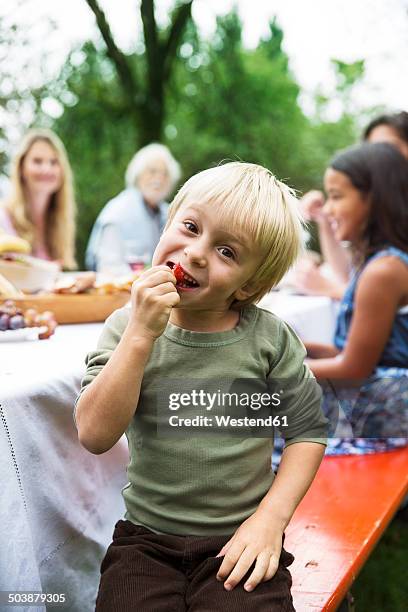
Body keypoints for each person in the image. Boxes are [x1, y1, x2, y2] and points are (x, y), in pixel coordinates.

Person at [75, 162, 328, 611]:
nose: (194, 253)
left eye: (227, 252)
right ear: (168, 220)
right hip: (146, 542)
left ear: (250, 285)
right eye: (190, 227)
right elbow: (94, 435)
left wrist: (270, 521)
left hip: (240, 537)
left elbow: (307, 432)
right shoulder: (124, 328)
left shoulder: (268, 339)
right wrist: (139, 336)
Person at [304, 142, 408, 455]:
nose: (329, 209)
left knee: (250, 409)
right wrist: (300, 348)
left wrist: (287, 371)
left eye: (337, 196)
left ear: (373, 200)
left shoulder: (384, 272)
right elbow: (360, 352)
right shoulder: (380, 263)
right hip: (381, 400)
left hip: (388, 413)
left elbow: (353, 369)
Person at [294, 111, 408, 299]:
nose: (380, 159)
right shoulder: (383, 222)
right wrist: (326, 220)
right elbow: (350, 274)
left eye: (388, 148)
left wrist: (330, 289)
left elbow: (383, 291)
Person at [85, 143, 181, 273]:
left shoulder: (169, 212)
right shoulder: (118, 211)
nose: (159, 178)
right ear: (137, 175)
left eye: (165, 174)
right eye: (152, 171)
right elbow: (107, 266)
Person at [0, 128, 76, 269]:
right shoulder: (3, 218)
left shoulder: (60, 223)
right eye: (37, 161)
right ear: (21, 168)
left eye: (54, 162)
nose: (46, 169)